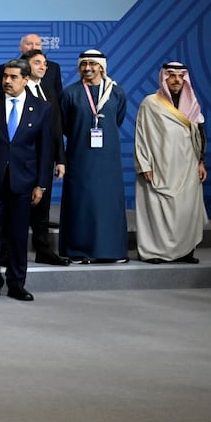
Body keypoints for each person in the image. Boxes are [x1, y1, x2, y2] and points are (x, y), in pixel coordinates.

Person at [0, 59, 55, 301]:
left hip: (24, 182)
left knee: (18, 236)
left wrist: (41, 184)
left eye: (14, 77)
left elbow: (45, 150)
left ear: (26, 80)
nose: (7, 81)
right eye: (5, 76)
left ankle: (17, 284)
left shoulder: (42, 108)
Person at [57, 49, 130, 263]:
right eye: (83, 64)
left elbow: (118, 119)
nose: (88, 68)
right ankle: (78, 250)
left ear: (101, 67)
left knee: (108, 203)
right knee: (81, 203)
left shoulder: (117, 93)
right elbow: (65, 125)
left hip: (108, 159)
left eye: (92, 64)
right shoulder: (69, 93)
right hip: (80, 156)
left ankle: (111, 251)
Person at [134, 62, 208, 263]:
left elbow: (199, 134)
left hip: (187, 164)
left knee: (186, 210)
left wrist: (200, 161)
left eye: (180, 76)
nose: (176, 80)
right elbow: (141, 135)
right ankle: (154, 252)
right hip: (159, 165)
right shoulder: (151, 103)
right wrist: (145, 164)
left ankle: (184, 252)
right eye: (172, 75)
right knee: (158, 209)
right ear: (163, 78)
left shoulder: (192, 104)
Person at [20, 48, 70, 265]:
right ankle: (13, 251)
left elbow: (56, 128)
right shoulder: (17, 90)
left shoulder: (49, 92)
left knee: (43, 209)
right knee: (20, 208)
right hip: (23, 159)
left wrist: (60, 158)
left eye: (45, 63)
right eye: (38, 63)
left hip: (45, 160)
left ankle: (43, 251)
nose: (43, 67)